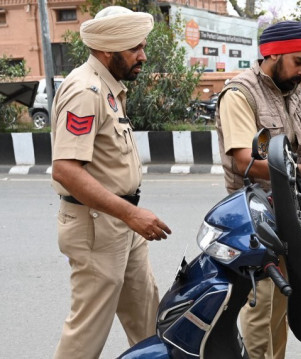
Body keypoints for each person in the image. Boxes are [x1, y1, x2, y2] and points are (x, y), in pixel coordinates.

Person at [215, 21, 301, 359]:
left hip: (290, 214)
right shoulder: (239, 94)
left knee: (282, 306)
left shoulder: (292, 88)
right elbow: (244, 161)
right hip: (254, 219)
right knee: (262, 307)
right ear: (273, 54)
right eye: (299, 62)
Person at [50, 6, 172, 359]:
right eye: (135, 48)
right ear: (108, 49)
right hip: (97, 225)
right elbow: (66, 170)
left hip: (120, 221)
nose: (143, 56)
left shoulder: (108, 87)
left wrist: (129, 217)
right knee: (86, 333)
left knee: (148, 321)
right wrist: (130, 215)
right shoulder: (85, 91)